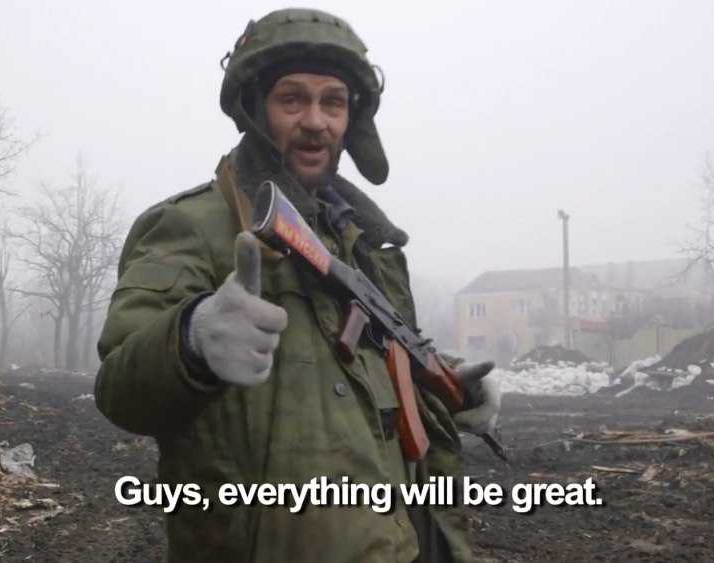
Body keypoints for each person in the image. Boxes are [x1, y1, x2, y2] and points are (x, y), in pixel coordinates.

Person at [95, 8, 496, 563]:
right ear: (257, 108)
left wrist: (445, 382)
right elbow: (118, 388)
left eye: (333, 102)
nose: (316, 121)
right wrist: (191, 339)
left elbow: (356, 378)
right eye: (292, 99)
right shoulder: (193, 227)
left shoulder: (365, 246)